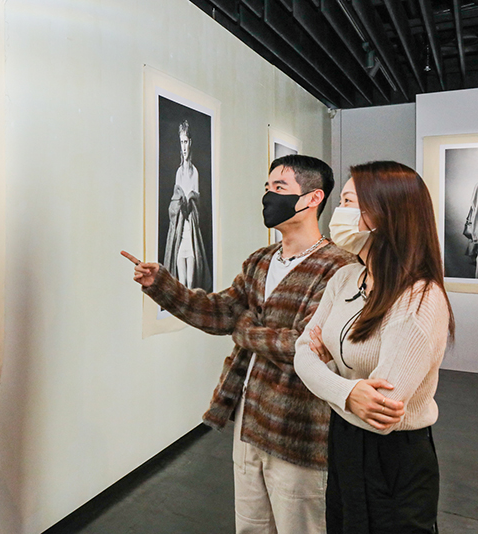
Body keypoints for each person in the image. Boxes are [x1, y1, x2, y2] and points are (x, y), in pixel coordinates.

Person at [128, 155, 356, 533]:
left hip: (298, 430)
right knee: (251, 526)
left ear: (313, 198)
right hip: (249, 422)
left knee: (300, 527)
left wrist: (245, 329)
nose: (268, 197)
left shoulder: (340, 267)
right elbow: (221, 313)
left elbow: (307, 346)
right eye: (267, 188)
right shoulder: (260, 261)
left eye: (279, 188)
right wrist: (162, 286)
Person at [294, 161, 453, 534]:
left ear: (384, 213)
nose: (337, 212)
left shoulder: (419, 298)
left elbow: (381, 414)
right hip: (344, 441)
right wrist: (349, 393)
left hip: (395, 458)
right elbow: (301, 350)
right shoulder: (346, 276)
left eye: (349, 200)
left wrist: (325, 373)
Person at [163, 120, 212, 290]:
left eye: (186, 142)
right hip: (179, 232)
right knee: (181, 283)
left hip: (190, 234)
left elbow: (198, 206)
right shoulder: (178, 172)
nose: (183, 147)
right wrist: (180, 202)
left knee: (191, 284)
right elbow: (174, 204)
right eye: (181, 142)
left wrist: (191, 197)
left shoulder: (195, 172)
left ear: (190, 143)